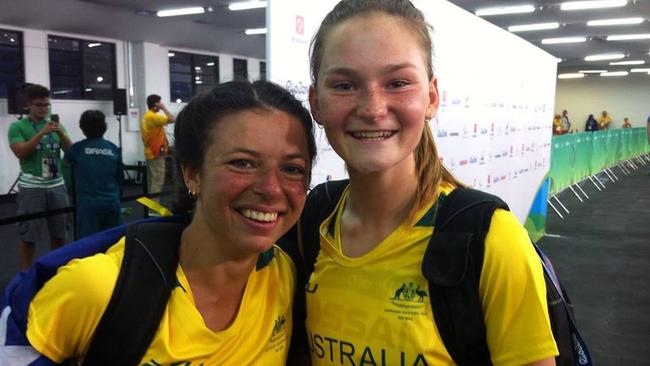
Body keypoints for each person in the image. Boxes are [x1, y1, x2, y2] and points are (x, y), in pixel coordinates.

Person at [291, 1, 558, 365]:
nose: (372, 107)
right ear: (316, 103)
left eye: (397, 82)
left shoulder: (490, 238)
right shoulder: (311, 223)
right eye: (344, 85)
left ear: (431, 98)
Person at [21, 81, 316, 364]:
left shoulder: (283, 275)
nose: (272, 189)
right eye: (243, 163)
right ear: (191, 173)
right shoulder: (99, 289)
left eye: (292, 168)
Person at [8, 84, 72, 269]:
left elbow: (70, 151)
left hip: (57, 185)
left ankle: (56, 271)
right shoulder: (18, 126)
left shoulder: (56, 125)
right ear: (29, 104)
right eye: (39, 105)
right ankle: (26, 275)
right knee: (29, 236)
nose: (44, 109)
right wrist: (41, 134)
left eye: (47, 105)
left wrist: (61, 133)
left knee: (60, 233)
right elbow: (20, 152)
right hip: (32, 187)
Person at [65, 110, 123, 238]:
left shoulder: (77, 149)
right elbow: (120, 178)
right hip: (112, 203)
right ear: (104, 127)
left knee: (88, 247)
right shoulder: (113, 148)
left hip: (88, 207)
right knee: (112, 243)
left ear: (82, 128)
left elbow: (67, 158)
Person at [141, 94, 175, 197]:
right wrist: (163, 108)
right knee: (157, 181)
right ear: (156, 104)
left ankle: (150, 208)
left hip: (150, 152)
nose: (161, 105)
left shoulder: (146, 116)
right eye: (160, 103)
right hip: (156, 153)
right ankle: (153, 210)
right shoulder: (153, 116)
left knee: (151, 181)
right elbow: (172, 119)